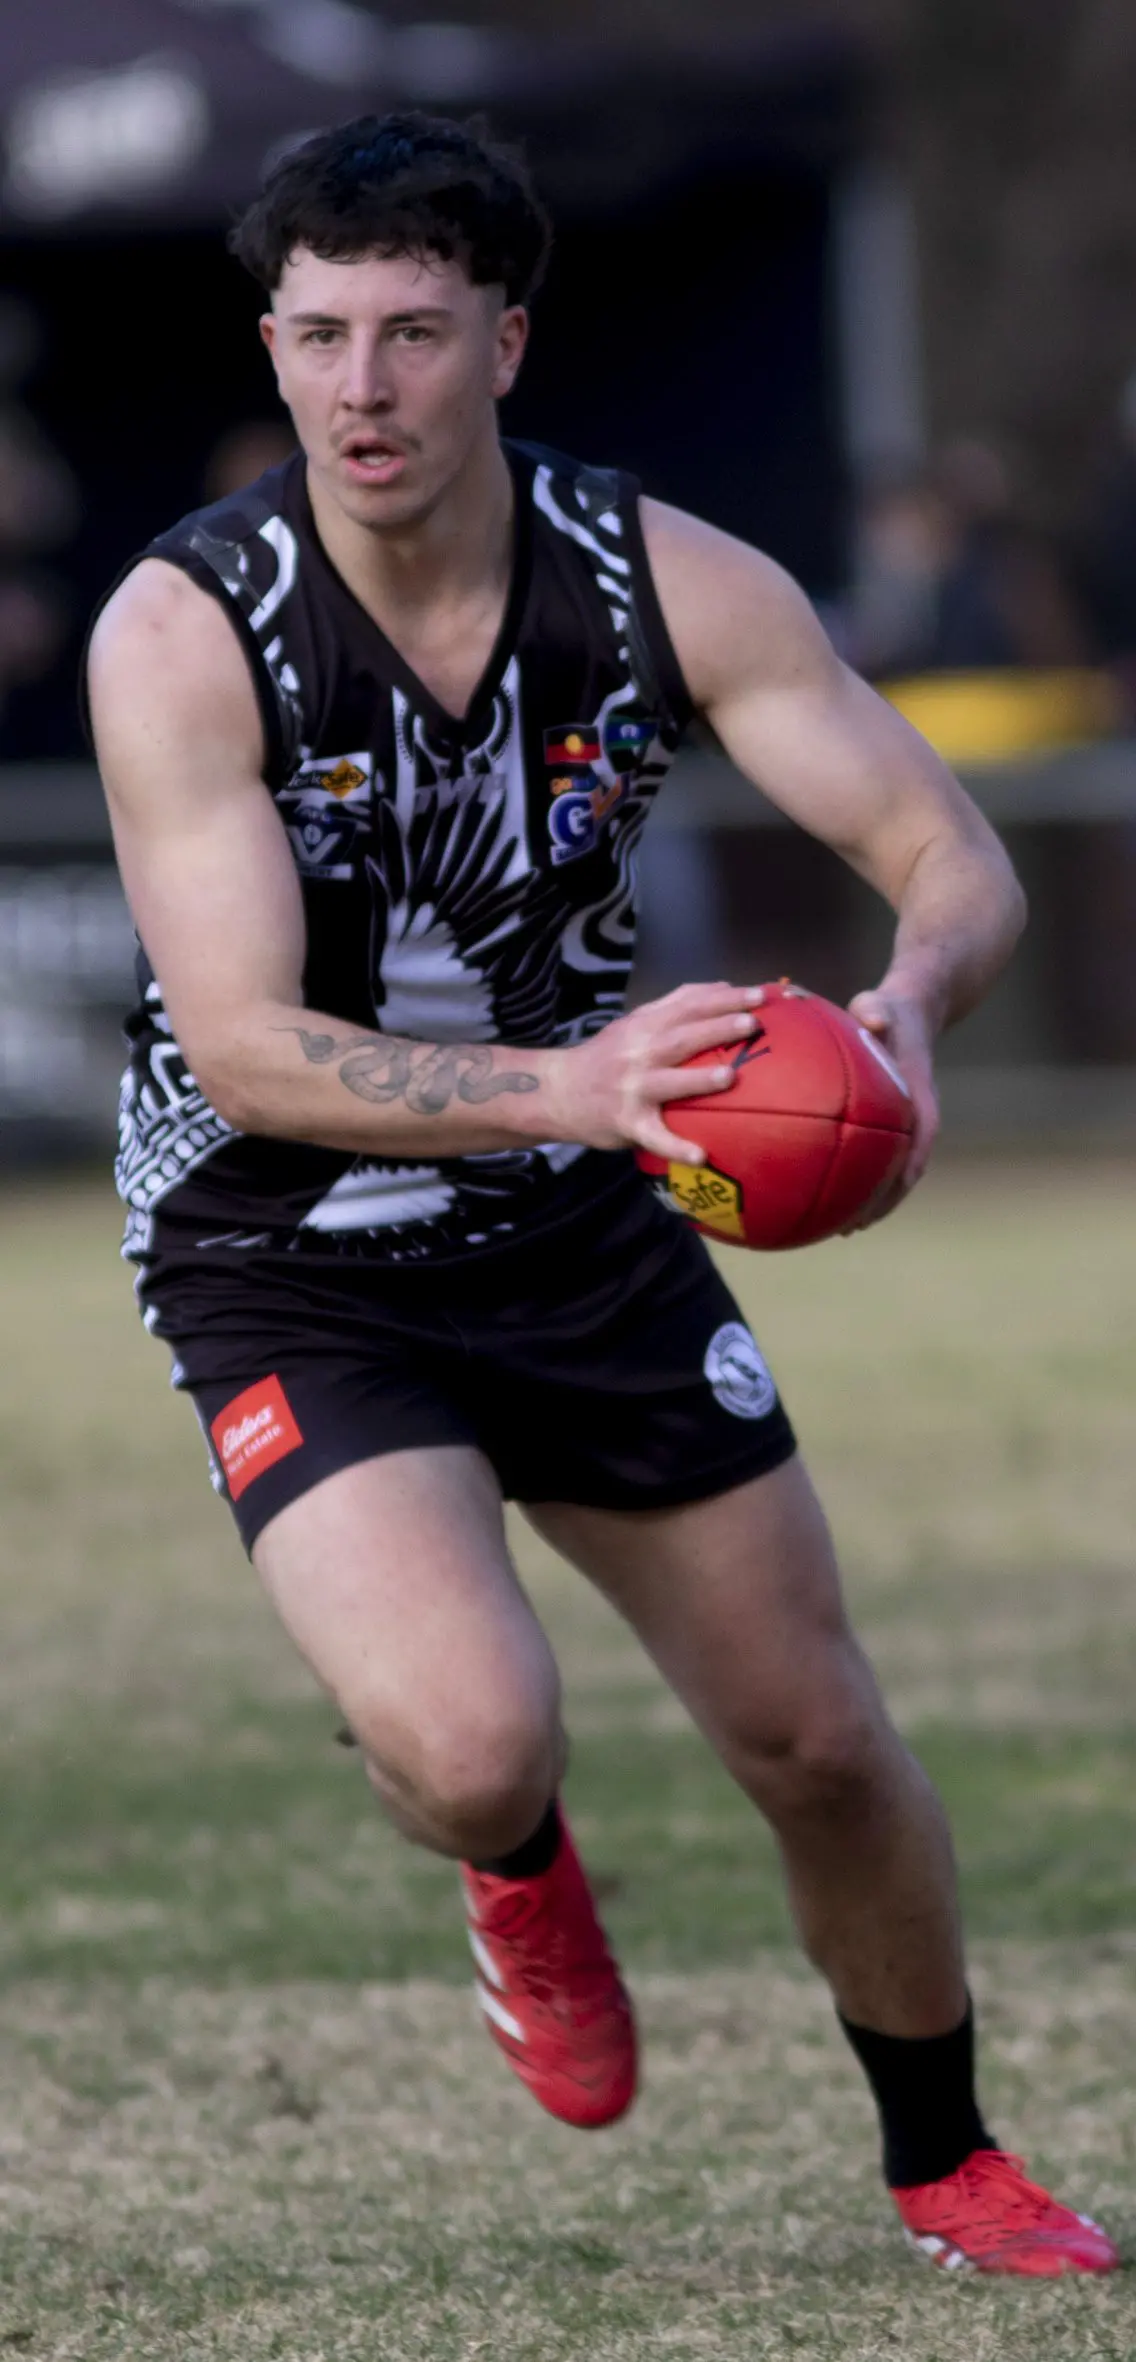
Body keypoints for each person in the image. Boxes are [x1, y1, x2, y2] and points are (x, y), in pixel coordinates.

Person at [84, 112, 1115, 2278]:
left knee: (815, 1733)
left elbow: (951, 852)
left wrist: (915, 998)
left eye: (414, 334)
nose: (362, 387)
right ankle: (513, 1872)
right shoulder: (189, 631)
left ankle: (945, 2157)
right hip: (289, 1246)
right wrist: (574, 1079)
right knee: (469, 1743)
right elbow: (256, 1042)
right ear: (271, 348)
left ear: (506, 343)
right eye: (321, 335)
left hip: (577, 1224)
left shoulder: (667, 574)